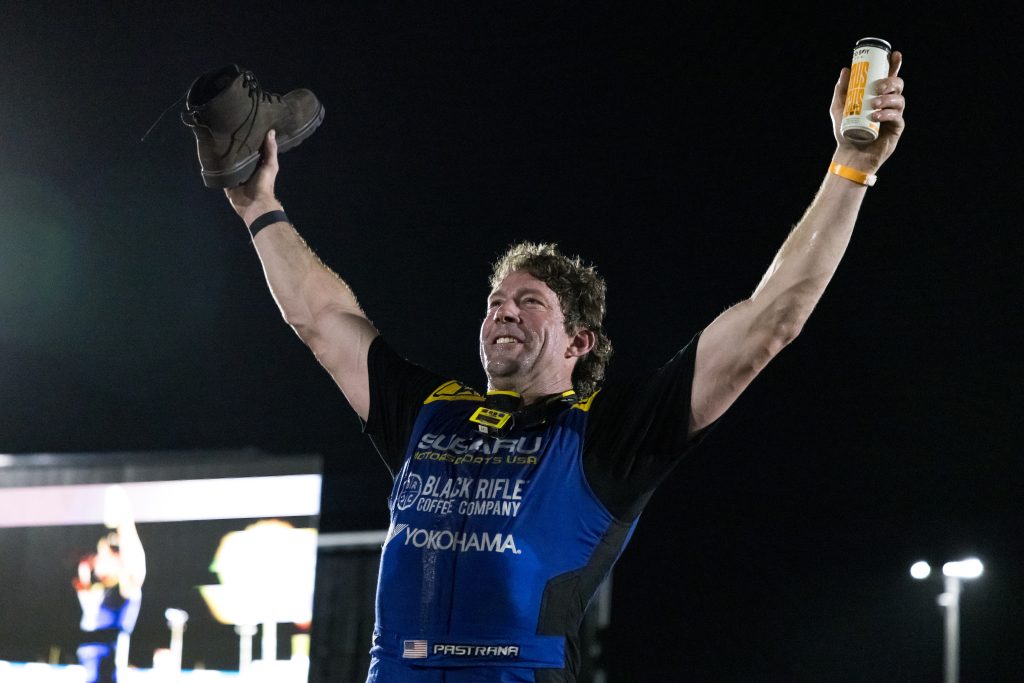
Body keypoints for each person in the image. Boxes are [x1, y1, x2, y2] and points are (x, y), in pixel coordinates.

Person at [223, 52, 905, 682]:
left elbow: (770, 320)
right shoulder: (430, 411)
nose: (504, 311)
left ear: (579, 342)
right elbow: (321, 318)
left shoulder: (610, 431)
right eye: (495, 302)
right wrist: (260, 206)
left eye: (530, 302)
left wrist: (850, 169)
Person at [74, 486, 146, 683]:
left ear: (118, 559)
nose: (98, 561)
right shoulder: (101, 592)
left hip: (106, 675)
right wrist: (84, 575)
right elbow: (87, 602)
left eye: (104, 556)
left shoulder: (125, 589)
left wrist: (125, 522)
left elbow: (136, 568)